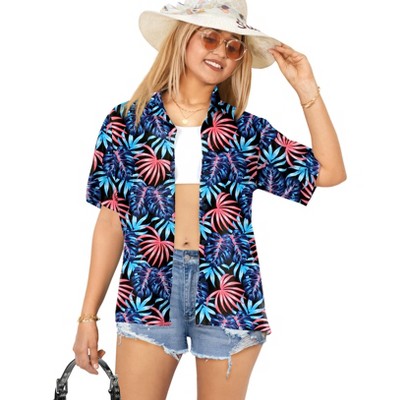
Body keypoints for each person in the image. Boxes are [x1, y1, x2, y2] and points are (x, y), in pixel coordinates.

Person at [73, 0, 346, 399]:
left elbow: (330, 172)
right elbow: (110, 222)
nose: (221, 51)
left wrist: (307, 90)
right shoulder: (126, 122)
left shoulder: (245, 131)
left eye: (233, 46)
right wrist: (87, 316)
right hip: (148, 288)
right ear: (183, 39)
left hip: (228, 291)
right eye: (210, 38)